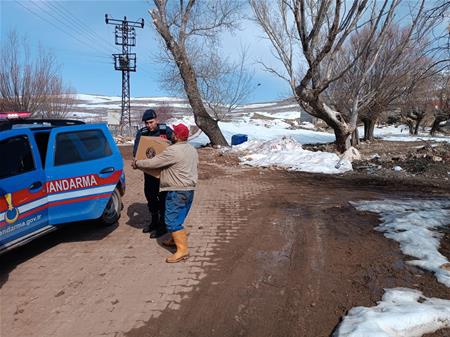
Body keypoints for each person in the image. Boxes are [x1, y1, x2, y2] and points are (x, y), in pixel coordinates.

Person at [132, 123, 198, 263]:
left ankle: (182, 251)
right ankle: (175, 240)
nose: (171, 134)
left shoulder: (173, 151)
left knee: (171, 221)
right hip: (189, 190)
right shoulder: (192, 149)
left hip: (177, 191)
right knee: (179, 217)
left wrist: (138, 163)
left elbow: (154, 163)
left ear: (178, 136)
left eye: (174, 132)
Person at [133, 109, 173, 238]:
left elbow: (176, 146)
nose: (149, 125)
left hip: (164, 172)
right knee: (150, 195)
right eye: (146, 123)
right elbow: (137, 151)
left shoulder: (165, 131)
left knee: (162, 198)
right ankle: (154, 220)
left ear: (156, 120)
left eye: (151, 122)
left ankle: (163, 225)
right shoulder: (143, 133)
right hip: (149, 172)